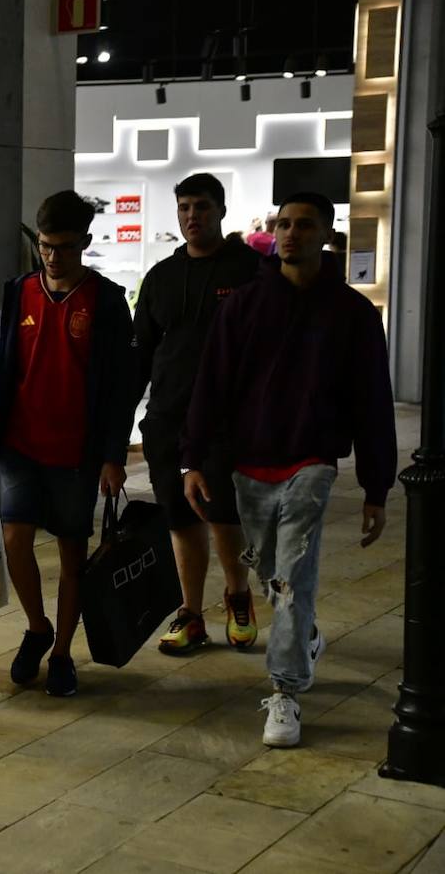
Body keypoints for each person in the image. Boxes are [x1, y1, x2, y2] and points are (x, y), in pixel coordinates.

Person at [183, 191, 397, 748]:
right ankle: (304, 636)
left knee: (295, 573)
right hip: (249, 462)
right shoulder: (244, 306)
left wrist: (378, 484)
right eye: (283, 224)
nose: (291, 233)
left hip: (312, 460)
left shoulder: (350, 313)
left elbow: (372, 400)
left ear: (325, 234)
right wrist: (194, 458)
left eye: (304, 225)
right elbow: (212, 383)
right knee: (273, 576)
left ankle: (285, 690)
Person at [0, 190, 135, 698]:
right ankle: (37, 626)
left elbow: (120, 389)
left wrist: (113, 455)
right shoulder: (17, 292)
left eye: (63, 246)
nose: (52, 255)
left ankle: (63, 651)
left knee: (71, 555)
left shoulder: (107, 301)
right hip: (20, 445)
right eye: (45, 245)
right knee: (16, 540)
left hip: (77, 454)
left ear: (85, 242)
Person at [132, 174, 262, 657]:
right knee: (180, 518)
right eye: (185, 207)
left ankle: (238, 597)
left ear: (221, 210)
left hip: (230, 422)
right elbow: (140, 353)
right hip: (168, 419)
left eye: (202, 207)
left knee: (224, 513)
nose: (192, 216)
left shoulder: (251, 271)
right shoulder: (162, 277)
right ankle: (191, 614)